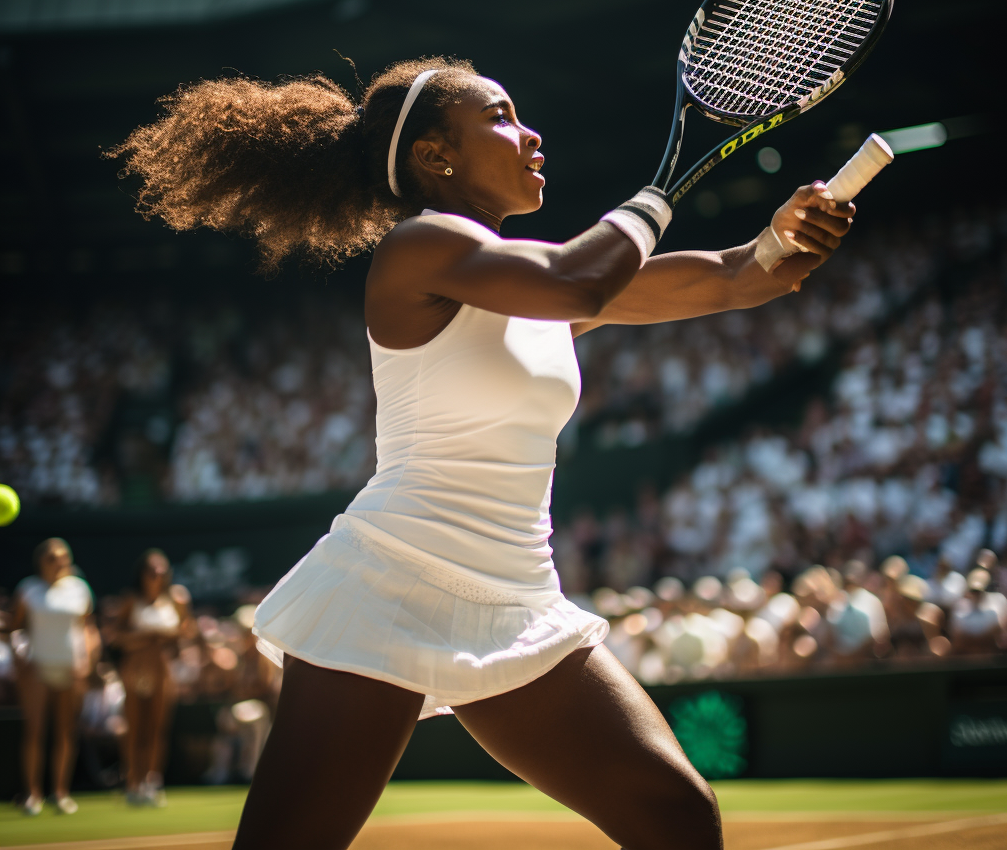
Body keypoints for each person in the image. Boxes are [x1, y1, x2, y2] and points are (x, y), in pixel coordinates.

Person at [113, 57, 854, 849]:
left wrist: (780, 242)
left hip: (516, 598)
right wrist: (654, 199)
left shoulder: (524, 281)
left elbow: (732, 278)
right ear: (437, 156)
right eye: (501, 117)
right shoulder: (421, 247)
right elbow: (581, 281)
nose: (531, 134)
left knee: (676, 815)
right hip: (390, 580)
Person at [3, 538, 99, 816]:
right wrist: (20, 658)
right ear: (41, 561)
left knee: (66, 732)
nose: (60, 562)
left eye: (63, 557)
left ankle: (60, 793)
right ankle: (32, 794)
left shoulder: (79, 589)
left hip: (71, 669)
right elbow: (14, 628)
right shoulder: (28, 589)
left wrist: (87, 659)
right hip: (38, 669)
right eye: (53, 558)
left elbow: (88, 628)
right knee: (35, 732)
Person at [112, 549, 193, 805]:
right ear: (142, 574)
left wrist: (168, 636)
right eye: (151, 570)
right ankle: (133, 781)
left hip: (162, 670)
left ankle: (152, 780)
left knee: (157, 728)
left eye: (161, 571)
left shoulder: (177, 599)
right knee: (134, 727)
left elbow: (185, 631)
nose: (156, 575)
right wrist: (144, 637)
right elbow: (117, 636)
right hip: (135, 669)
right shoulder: (130, 600)